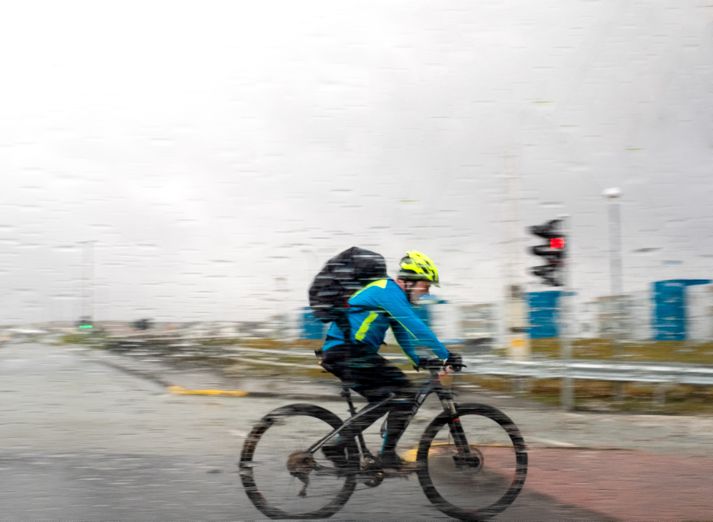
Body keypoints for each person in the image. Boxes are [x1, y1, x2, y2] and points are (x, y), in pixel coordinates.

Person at [317, 250, 463, 471]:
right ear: (412, 280)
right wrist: (446, 355)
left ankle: (347, 447)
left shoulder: (392, 295)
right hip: (348, 352)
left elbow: (402, 332)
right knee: (403, 393)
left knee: (388, 397)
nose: (428, 290)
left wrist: (418, 359)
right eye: (427, 284)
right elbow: (415, 326)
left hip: (350, 353)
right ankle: (370, 452)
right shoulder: (387, 290)